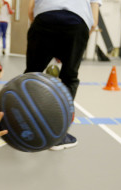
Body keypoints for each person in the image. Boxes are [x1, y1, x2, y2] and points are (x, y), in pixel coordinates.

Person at [25, 0, 102, 151]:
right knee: (69, 78)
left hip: (44, 18)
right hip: (76, 22)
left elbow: (30, 11)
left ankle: (21, 124)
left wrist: (43, 35)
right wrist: (72, 45)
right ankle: (57, 136)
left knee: (31, 74)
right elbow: (94, 22)